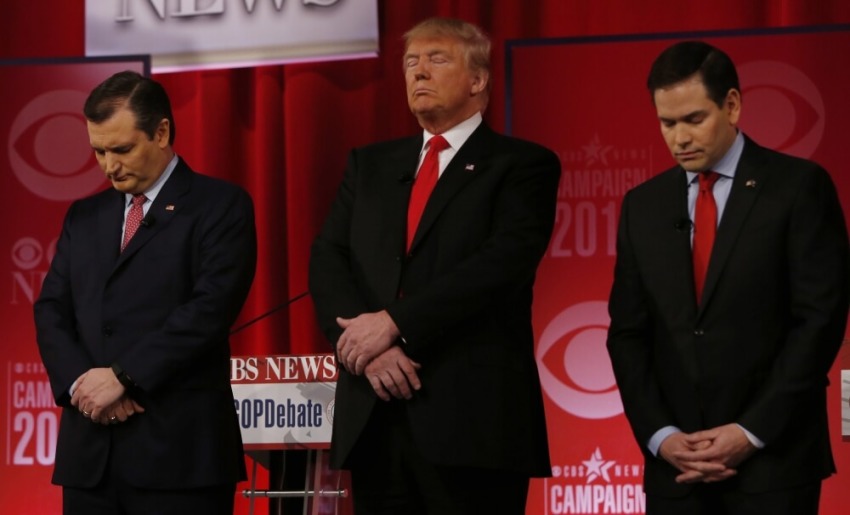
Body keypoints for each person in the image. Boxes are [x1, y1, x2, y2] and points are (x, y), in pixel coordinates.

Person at [309, 17, 559, 515]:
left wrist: (395, 324)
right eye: (410, 63)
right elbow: (328, 258)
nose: (418, 72)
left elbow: (500, 267)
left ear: (478, 80)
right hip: (376, 412)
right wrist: (365, 349)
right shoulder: (370, 165)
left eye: (437, 59)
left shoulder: (521, 165)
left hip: (473, 422)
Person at [606, 40, 850, 515]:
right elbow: (627, 334)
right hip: (676, 472)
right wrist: (661, 436)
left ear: (733, 105)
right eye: (667, 123)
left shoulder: (799, 188)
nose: (679, 138)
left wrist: (750, 431)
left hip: (773, 466)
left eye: (694, 119)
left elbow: (819, 322)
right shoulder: (643, 206)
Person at [33, 71, 257, 514]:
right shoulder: (84, 216)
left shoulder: (219, 205)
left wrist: (121, 377)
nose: (108, 165)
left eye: (121, 149)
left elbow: (209, 310)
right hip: (91, 455)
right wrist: (83, 384)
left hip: (180, 456)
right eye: (98, 151)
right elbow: (51, 310)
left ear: (161, 132)